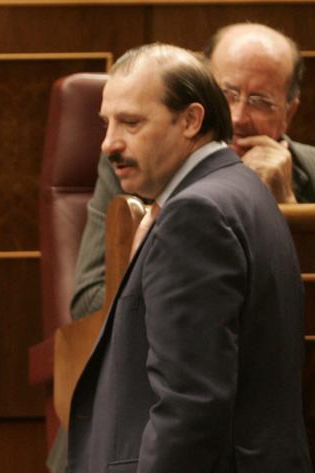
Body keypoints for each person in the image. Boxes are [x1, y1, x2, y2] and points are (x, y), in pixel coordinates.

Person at [67, 44, 315, 473]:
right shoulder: (239, 194)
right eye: (104, 123)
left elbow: (191, 402)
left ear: (189, 120)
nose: (107, 144)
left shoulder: (196, 215)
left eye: (130, 123)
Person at [71, 23, 315, 319]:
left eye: (259, 101)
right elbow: (87, 302)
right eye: (227, 93)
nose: (237, 117)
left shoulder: (311, 169)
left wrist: (285, 209)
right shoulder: (136, 164)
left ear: (288, 113)